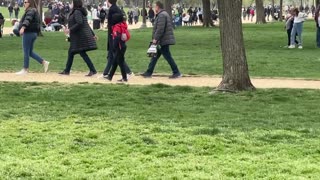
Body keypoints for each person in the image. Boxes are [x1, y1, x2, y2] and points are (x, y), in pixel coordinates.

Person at [141, 1, 181, 79]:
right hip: (163, 39)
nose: (154, 8)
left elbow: (160, 29)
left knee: (167, 56)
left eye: (155, 6)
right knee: (154, 56)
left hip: (163, 40)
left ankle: (176, 72)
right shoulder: (162, 14)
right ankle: (149, 72)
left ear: (158, 7)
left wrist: (155, 38)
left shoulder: (162, 15)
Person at [59, 0, 97, 76]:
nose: (71, 4)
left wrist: (70, 30)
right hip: (78, 36)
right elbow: (86, 25)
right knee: (71, 52)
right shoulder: (80, 12)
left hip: (80, 37)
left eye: (72, 2)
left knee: (81, 53)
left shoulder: (77, 12)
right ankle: (67, 70)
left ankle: (93, 70)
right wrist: (93, 34)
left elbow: (79, 23)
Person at [16, 0, 50, 75]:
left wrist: (23, 27)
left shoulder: (30, 11)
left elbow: (28, 19)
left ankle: (25, 69)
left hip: (28, 33)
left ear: (30, 3)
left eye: (25, 2)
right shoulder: (34, 10)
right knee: (30, 52)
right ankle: (44, 62)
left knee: (26, 51)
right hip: (33, 33)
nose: (24, 4)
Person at [102, 0, 132, 78]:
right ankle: (106, 73)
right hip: (114, 34)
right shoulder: (115, 8)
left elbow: (114, 22)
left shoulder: (113, 9)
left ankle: (127, 72)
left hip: (114, 35)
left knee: (116, 55)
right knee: (111, 55)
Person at [105, 13, 128, 82]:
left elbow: (116, 37)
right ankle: (110, 76)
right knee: (115, 61)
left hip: (119, 46)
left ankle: (124, 77)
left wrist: (114, 46)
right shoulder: (123, 25)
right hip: (123, 45)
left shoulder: (116, 27)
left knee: (120, 62)